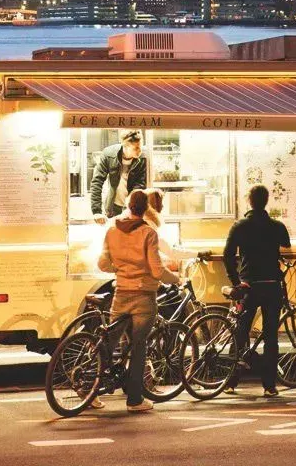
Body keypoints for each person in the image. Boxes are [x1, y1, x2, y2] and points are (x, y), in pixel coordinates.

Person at [98, 188, 180, 412]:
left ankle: (89, 390)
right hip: (143, 297)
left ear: (127, 205)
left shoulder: (112, 230)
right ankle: (134, 400)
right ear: (146, 209)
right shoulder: (148, 232)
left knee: (109, 342)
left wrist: (121, 269)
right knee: (138, 347)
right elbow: (156, 270)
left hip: (121, 293)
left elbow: (102, 264)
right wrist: (176, 279)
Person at [222, 184, 292, 397]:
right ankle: (269, 386)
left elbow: (227, 255)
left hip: (248, 286)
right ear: (266, 201)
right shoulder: (277, 226)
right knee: (271, 336)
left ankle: (230, 382)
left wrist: (236, 281)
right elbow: (288, 251)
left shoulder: (240, 226)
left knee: (241, 332)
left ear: (249, 201)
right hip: (272, 286)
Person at [90, 130, 147, 224]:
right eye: (136, 148)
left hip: (134, 208)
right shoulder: (109, 154)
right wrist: (96, 211)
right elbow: (97, 181)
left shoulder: (144, 158)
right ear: (125, 146)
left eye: (140, 147)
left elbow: (139, 186)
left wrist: (129, 210)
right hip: (113, 207)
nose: (140, 151)